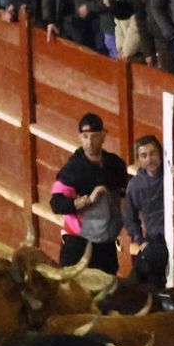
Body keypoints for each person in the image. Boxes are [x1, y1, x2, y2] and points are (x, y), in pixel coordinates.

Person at [49, 112, 128, 272]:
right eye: (85, 137)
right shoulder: (71, 170)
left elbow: (125, 194)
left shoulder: (115, 165)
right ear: (80, 137)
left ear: (103, 136)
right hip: (78, 242)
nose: (90, 142)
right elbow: (56, 204)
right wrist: (87, 200)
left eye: (94, 136)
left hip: (106, 243)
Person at [122, 133, 168, 284]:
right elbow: (129, 218)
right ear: (139, 160)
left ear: (160, 153)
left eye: (153, 153)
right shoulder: (135, 185)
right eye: (144, 155)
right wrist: (139, 240)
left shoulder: (171, 175)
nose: (149, 159)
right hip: (155, 240)